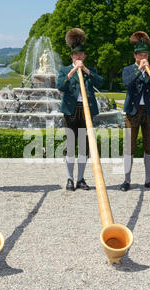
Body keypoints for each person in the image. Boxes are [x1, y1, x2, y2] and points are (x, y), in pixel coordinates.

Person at [57, 28, 104, 191]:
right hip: (71, 111)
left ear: (84, 56)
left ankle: (81, 179)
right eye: (76, 55)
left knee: (84, 147)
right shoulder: (64, 70)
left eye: (81, 55)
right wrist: (72, 71)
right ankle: (69, 178)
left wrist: (85, 70)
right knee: (70, 146)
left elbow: (100, 83)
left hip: (86, 111)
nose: (79, 57)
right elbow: (59, 86)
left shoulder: (89, 71)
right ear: (72, 56)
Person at [120, 31, 150, 192]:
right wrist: (139, 70)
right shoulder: (128, 70)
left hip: (149, 111)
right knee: (129, 147)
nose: (143, 57)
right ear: (135, 55)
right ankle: (126, 180)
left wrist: (149, 73)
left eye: (146, 54)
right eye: (140, 54)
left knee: (149, 146)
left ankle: (148, 179)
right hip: (132, 112)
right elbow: (127, 83)